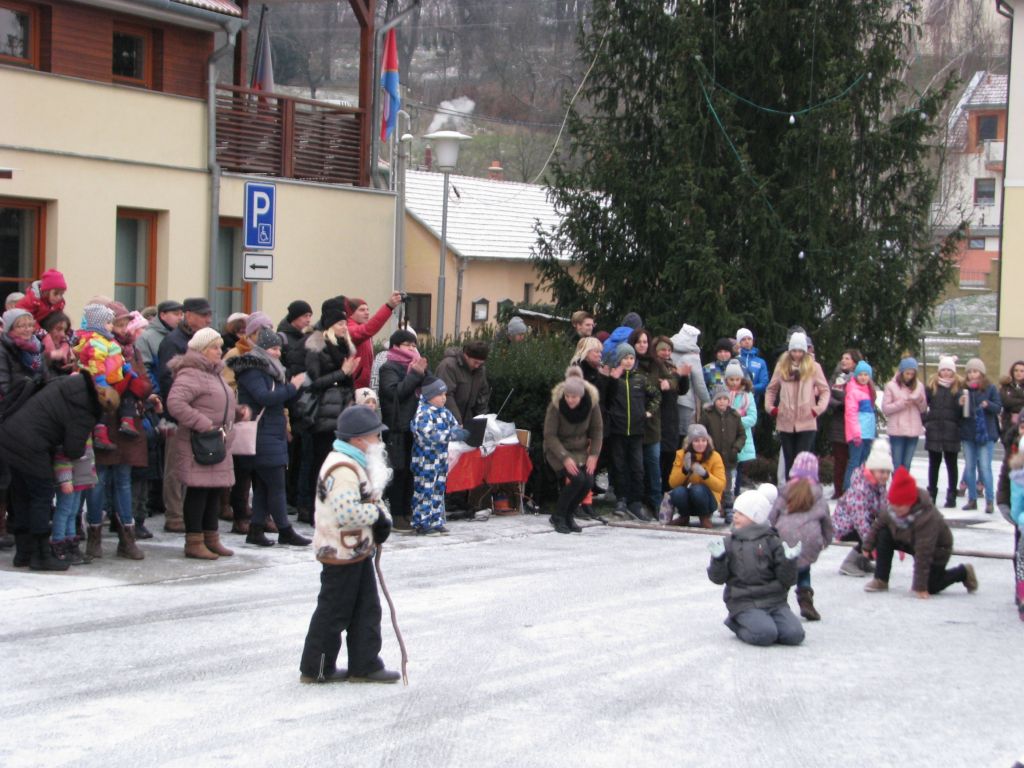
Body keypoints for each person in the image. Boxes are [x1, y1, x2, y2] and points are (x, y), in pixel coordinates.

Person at [299, 404, 400, 684]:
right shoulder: (342, 468)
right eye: (375, 435)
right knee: (334, 611)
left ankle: (365, 665)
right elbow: (347, 512)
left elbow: (367, 499)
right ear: (358, 439)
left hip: (356, 550)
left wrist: (380, 517)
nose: (379, 441)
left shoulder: (354, 462)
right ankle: (316, 668)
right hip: (341, 552)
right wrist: (377, 515)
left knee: (366, 609)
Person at [0, 371, 118, 571]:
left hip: (9, 434)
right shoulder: (87, 411)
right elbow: (73, 450)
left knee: (21, 496)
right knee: (41, 496)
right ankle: (41, 556)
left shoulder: (70, 382)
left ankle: (24, 553)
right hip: (32, 445)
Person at [166, 327, 250, 560]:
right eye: (214, 347)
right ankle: (194, 541)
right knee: (199, 491)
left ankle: (211, 538)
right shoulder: (191, 373)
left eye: (220, 346)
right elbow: (175, 403)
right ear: (201, 350)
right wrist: (204, 424)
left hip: (217, 442)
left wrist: (236, 412)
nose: (219, 351)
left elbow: (217, 402)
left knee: (214, 490)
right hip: (199, 443)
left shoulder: (214, 373)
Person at [229, 327, 310, 548]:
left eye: (279, 349)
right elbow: (265, 397)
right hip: (262, 433)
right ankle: (285, 530)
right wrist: (292, 387)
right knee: (276, 485)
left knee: (265, 486)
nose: (277, 353)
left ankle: (256, 529)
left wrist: (294, 389)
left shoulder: (271, 369)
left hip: (271, 432)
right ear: (262, 349)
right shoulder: (253, 370)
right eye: (273, 348)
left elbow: (280, 398)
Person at [707, 489, 805, 647]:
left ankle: (765, 622)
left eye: (741, 513)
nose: (735, 516)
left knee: (794, 635)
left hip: (775, 602)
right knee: (765, 634)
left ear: (756, 516)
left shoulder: (772, 541)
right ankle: (737, 624)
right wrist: (718, 559)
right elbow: (717, 578)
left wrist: (789, 561)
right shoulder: (729, 543)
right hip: (744, 602)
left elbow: (788, 580)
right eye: (735, 512)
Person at [862, 466, 978, 597]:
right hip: (909, 539)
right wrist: (867, 545)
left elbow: (924, 553)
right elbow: (877, 525)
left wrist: (920, 587)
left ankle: (963, 572)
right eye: (893, 505)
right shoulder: (892, 509)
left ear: (910, 502)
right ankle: (881, 579)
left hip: (937, 549)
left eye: (900, 506)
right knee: (884, 533)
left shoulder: (927, 517)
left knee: (932, 586)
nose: (896, 509)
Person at [157, 297, 213, 533]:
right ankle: (174, 514)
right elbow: (167, 379)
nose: (208, 319)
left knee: (191, 465)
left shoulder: (200, 340)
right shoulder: (174, 341)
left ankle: (186, 512)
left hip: (197, 413)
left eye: (209, 315)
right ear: (188, 315)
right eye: (203, 315)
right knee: (175, 466)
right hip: (178, 415)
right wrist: (181, 409)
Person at [304, 298, 360, 523]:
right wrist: (342, 373)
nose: (344, 327)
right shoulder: (317, 344)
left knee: (338, 463)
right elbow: (314, 381)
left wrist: (349, 376)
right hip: (323, 414)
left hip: (342, 412)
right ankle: (313, 509)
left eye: (345, 323)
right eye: (340, 324)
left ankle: (334, 505)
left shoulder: (345, 346)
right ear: (329, 326)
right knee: (320, 462)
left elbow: (346, 381)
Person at [768, 452, 832, 621]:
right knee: (804, 567)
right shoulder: (818, 495)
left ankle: (778, 601)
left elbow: (773, 515)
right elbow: (827, 522)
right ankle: (805, 597)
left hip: (784, 537)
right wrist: (826, 540)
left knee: (783, 569)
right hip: (810, 539)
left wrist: (769, 533)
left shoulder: (785, 491)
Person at [378, 329, 429, 532]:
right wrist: (415, 374)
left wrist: (423, 373)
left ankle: (408, 511)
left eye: (414, 345)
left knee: (411, 471)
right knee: (398, 471)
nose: (412, 349)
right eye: (407, 345)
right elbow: (395, 393)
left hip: (415, 426)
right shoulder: (388, 367)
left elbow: (431, 387)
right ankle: (397, 513)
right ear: (395, 346)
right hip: (397, 427)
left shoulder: (416, 365)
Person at [543, 365, 602, 534]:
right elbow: (549, 435)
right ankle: (558, 516)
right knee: (577, 479)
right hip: (557, 450)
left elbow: (597, 431)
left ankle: (569, 515)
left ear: (581, 396)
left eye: (574, 397)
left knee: (588, 481)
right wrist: (565, 457)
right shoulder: (555, 406)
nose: (570, 400)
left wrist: (594, 455)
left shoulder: (592, 405)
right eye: (567, 396)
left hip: (580, 451)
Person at [765, 331, 829, 479]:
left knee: (802, 461)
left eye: (800, 351)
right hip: (785, 420)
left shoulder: (814, 367)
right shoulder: (781, 366)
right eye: (794, 351)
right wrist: (771, 408)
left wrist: (817, 409)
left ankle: (801, 489)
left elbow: (825, 390)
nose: (797, 354)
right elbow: (771, 389)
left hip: (807, 420)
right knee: (789, 461)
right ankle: (790, 490)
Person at [605, 342, 658, 520]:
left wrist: (649, 411)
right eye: (625, 358)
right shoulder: (614, 379)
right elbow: (606, 399)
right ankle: (621, 498)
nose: (628, 361)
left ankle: (635, 501)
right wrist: (612, 380)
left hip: (636, 430)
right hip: (617, 430)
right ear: (619, 360)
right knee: (619, 466)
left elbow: (656, 395)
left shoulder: (640, 379)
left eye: (631, 358)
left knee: (638, 467)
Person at [411, 378, 467, 535]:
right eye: (440, 395)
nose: (444, 398)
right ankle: (421, 522)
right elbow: (429, 434)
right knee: (425, 490)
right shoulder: (423, 413)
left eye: (445, 394)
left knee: (438, 489)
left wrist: (460, 432)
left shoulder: (445, 412)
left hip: (441, 458)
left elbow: (454, 426)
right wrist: (451, 435)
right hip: (425, 460)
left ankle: (436, 520)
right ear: (429, 395)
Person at [832, 438, 892, 577]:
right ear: (872, 469)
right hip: (844, 525)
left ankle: (862, 561)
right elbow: (860, 521)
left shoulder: (879, 484)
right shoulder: (861, 487)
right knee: (873, 534)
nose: (885, 476)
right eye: (881, 471)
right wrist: (871, 545)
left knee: (881, 531)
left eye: (887, 472)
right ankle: (848, 563)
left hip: (863, 522)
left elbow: (883, 509)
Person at [278, 299, 314, 519]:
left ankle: (293, 496)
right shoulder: (284, 338)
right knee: (291, 453)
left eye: (310, 316)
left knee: (300, 453)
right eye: (304, 316)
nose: (308, 320)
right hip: (292, 401)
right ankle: (289, 496)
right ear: (294, 318)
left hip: (303, 402)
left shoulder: (306, 337)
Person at [959, 357, 1001, 513]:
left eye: (975, 371)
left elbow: (998, 407)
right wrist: (960, 404)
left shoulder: (990, 388)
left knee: (984, 467)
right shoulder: (964, 389)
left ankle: (989, 500)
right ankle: (972, 499)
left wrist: (988, 404)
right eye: (969, 372)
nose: (972, 374)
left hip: (985, 433)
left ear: (982, 373)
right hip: (968, 433)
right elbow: (959, 413)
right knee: (969, 467)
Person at [630, 328, 666, 512]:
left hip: (652, 421)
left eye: (645, 342)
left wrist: (668, 383)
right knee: (635, 465)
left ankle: (655, 501)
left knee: (653, 463)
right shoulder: (628, 361)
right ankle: (635, 500)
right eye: (639, 342)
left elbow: (672, 380)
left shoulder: (656, 363)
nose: (642, 345)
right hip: (632, 420)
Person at [700, 384, 746, 524]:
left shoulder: (734, 416)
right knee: (710, 483)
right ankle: (707, 509)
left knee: (727, 485)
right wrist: (707, 448)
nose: (722, 402)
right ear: (714, 400)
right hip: (711, 457)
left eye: (725, 399)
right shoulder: (707, 415)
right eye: (719, 399)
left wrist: (736, 448)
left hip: (729, 457)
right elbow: (701, 432)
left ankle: (728, 508)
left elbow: (742, 435)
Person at [667, 423, 726, 528]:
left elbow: (720, 486)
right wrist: (684, 470)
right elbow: (673, 483)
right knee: (678, 492)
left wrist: (705, 475)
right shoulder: (681, 455)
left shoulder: (715, 456)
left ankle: (704, 517)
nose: (700, 444)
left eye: (703, 440)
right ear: (690, 443)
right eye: (696, 441)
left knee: (697, 489)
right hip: (688, 498)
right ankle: (684, 517)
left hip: (709, 499)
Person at [653, 336, 691, 492]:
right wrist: (677, 375)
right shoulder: (655, 367)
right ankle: (657, 491)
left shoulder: (671, 366)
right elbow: (665, 388)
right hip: (659, 415)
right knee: (659, 456)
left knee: (670, 454)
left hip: (672, 416)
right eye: (663, 350)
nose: (667, 353)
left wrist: (684, 376)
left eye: (669, 350)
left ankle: (667, 489)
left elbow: (681, 390)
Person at [924, 356, 962, 509]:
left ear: (954, 372)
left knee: (951, 464)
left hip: (952, 432)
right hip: (934, 430)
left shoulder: (958, 388)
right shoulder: (932, 387)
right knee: (934, 464)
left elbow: (963, 412)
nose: (946, 373)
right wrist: (926, 421)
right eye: (943, 370)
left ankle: (952, 494)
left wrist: (961, 407)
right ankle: (931, 493)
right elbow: (922, 405)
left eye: (949, 370)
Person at [345, 293, 403, 390]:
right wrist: (388, 307)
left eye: (367, 309)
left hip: (363, 385)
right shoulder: (350, 330)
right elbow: (369, 329)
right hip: (355, 386)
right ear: (351, 313)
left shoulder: (360, 329)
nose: (367, 313)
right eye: (362, 310)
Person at [826, 350, 861, 498]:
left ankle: (852, 489)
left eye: (847, 358)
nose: (844, 361)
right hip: (838, 422)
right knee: (840, 459)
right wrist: (838, 404)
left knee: (854, 459)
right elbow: (827, 394)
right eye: (842, 358)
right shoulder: (836, 377)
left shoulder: (860, 377)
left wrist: (849, 402)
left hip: (854, 424)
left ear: (855, 362)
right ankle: (838, 490)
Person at [882, 357, 927, 472]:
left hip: (913, 430)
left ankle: (904, 483)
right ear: (901, 372)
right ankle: (897, 483)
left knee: (907, 464)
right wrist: (901, 404)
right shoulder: (891, 386)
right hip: (897, 431)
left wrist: (919, 400)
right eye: (907, 373)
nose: (909, 376)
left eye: (912, 374)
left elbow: (923, 409)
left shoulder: (919, 386)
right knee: (897, 464)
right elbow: (886, 409)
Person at [435, 340, 491, 424]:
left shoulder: (480, 370)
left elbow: (482, 395)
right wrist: (457, 421)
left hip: (468, 418)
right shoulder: (448, 366)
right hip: (447, 419)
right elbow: (446, 395)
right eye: (475, 362)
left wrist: (482, 420)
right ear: (466, 356)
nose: (477, 366)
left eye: (481, 363)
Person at [724, 359, 757, 498]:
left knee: (738, 470)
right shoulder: (722, 394)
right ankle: (725, 497)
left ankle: (736, 496)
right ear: (726, 380)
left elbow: (752, 417)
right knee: (726, 470)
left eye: (737, 379)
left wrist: (735, 422)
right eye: (731, 379)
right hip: (725, 438)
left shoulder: (747, 396)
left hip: (741, 439)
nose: (734, 383)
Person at [670, 323, 709, 436]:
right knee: (683, 435)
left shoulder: (667, 348)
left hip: (668, 397)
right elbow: (699, 384)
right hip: (685, 401)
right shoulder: (693, 355)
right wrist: (708, 402)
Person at [843, 360, 877, 491]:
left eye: (866, 375)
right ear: (856, 375)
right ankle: (848, 489)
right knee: (854, 462)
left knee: (863, 463)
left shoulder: (869, 390)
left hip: (867, 433)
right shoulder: (853, 391)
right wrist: (856, 433)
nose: (863, 377)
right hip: (858, 434)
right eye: (861, 374)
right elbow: (851, 414)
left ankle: (860, 489)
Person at [0, 308, 50, 396]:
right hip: (16, 399)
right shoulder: (3, 350)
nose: (27, 329)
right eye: (21, 326)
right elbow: (4, 385)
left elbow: (46, 376)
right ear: (10, 329)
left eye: (30, 325)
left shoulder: (37, 347)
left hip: (39, 396)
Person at [997, 360, 1024, 516]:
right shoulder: (1006, 388)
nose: (1019, 373)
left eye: (1022, 370)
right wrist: (1003, 502)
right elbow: (1005, 402)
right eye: (1016, 370)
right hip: (1009, 429)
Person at [137, 300, 183, 390]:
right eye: (176, 314)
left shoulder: (182, 336)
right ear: (162, 315)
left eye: (181, 314)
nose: (180, 318)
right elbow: (144, 369)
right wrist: (155, 392)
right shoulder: (146, 337)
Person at [1007, 435, 1024, 621]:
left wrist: (1018, 519)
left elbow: (1017, 506)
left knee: (1022, 563)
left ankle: (1022, 597)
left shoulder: (1018, 475)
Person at [735, 328, 769, 401]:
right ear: (738, 342)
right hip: (735, 399)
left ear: (752, 341)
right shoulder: (735, 359)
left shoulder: (760, 362)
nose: (747, 341)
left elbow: (764, 383)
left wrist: (750, 388)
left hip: (753, 401)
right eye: (743, 339)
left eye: (749, 339)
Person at [40, 311, 75, 376]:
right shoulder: (36, 348)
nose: (63, 334)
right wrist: (50, 356)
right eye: (58, 329)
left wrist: (71, 367)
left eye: (64, 330)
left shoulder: (64, 348)